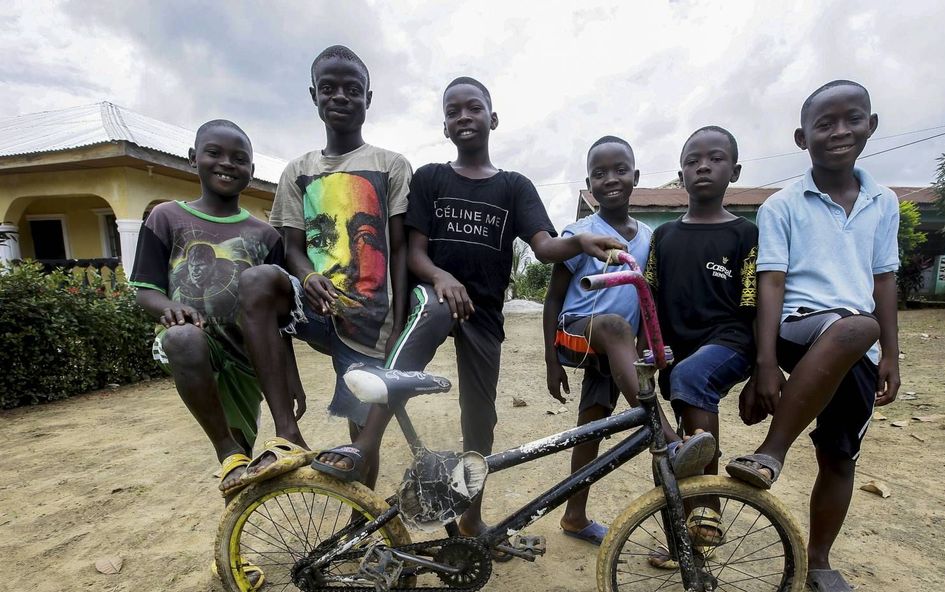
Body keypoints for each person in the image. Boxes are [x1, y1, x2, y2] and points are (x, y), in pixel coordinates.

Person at [312, 76, 625, 540]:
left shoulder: (515, 187)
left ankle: (471, 516)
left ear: (492, 119)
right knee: (431, 316)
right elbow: (415, 252)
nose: (464, 117)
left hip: (484, 313)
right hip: (436, 296)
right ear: (444, 127)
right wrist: (440, 277)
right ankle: (365, 444)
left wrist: (578, 240)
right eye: (453, 111)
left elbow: (542, 247)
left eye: (473, 108)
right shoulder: (432, 178)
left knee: (480, 418)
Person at [725, 80, 901, 592]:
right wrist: (766, 363)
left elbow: (885, 279)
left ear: (872, 124)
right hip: (800, 330)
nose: (840, 131)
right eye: (825, 124)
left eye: (852, 119)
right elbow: (771, 284)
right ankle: (771, 454)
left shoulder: (883, 201)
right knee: (854, 326)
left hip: (857, 346)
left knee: (840, 456)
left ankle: (820, 561)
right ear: (803, 138)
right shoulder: (782, 205)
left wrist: (892, 354)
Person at [237, 45, 412, 488]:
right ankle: (287, 433)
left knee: (359, 438)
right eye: (329, 88)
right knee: (257, 281)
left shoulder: (390, 166)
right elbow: (292, 247)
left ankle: (361, 525)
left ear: (368, 99)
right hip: (315, 306)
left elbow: (398, 246)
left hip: (370, 317)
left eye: (352, 89)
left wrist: (400, 318)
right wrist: (309, 275)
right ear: (313, 95)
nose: (340, 97)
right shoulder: (298, 171)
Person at [544, 136, 707, 547]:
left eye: (620, 170)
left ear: (635, 177)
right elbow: (553, 297)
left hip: (618, 350)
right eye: (600, 173)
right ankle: (671, 441)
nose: (611, 179)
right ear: (588, 183)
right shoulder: (579, 233)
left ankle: (574, 516)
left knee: (592, 426)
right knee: (615, 324)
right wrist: (550, 359)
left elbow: (650, 297)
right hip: (578, 332)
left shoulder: (649, 239)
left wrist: (654, 344)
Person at [130, 119, 304, 502]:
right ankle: (224, 448)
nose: (227, 163)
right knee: (182, 337)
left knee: (241, 463)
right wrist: (170, 308)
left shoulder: (266, 235)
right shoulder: (165, 217)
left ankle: (229, 555)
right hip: (193, 350)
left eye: (239, 158)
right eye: (214, 153)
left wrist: (291, 376)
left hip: (247, 358)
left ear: (252, 171)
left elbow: (278, 320)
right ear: (193, 159)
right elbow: (144, 291)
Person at [644, 126, 758, 547]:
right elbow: (649, 299)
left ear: (735, 170)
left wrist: (765, 368)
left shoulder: (744, 234)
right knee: (669, 452)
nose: (703, 166)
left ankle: (708, 504)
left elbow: (754, 305)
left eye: (715, 158)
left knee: (692, 378)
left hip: (729, 342)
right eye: (693, 160)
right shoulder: (665, 236)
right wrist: (651, 347)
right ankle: (683, 546)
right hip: (677, 353)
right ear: (681, 173)